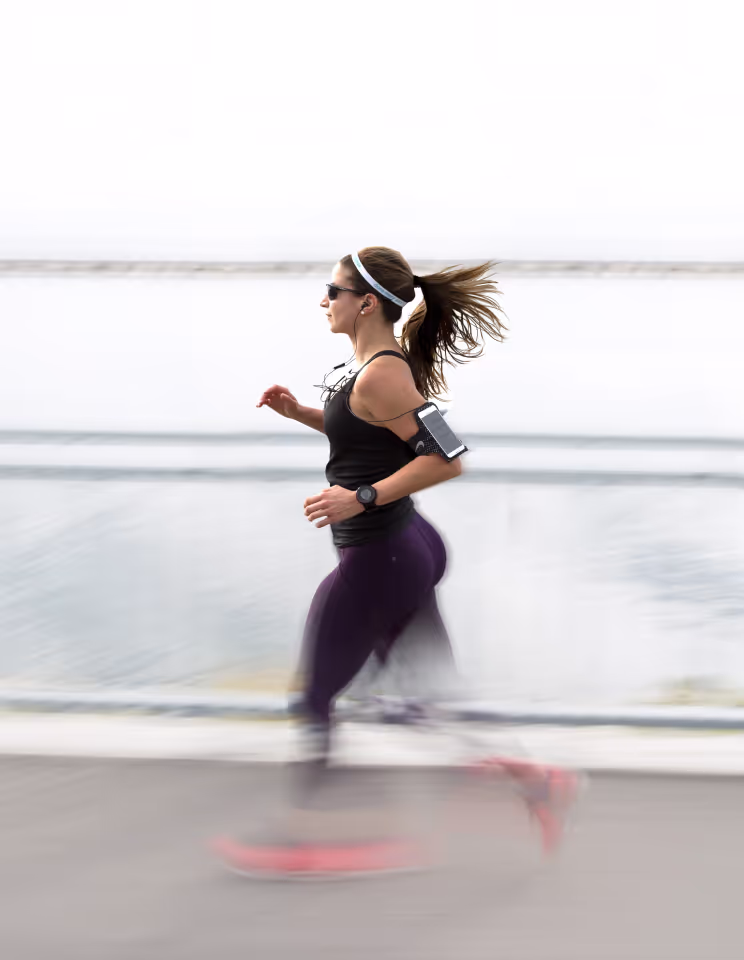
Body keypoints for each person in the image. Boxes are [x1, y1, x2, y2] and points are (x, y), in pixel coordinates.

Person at [215, 247, 578, 877]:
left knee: (316, 697)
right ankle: (536, 779)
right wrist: (300, 413)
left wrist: (360, 498)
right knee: (429, 697)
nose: (323, 301)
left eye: (332, 290)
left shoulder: (382, 373)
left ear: (364, 303)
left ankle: (305, 838)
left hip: (381, 556)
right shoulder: (373, 369)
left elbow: (448, 458)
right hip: (404, 547)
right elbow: (370, 432)